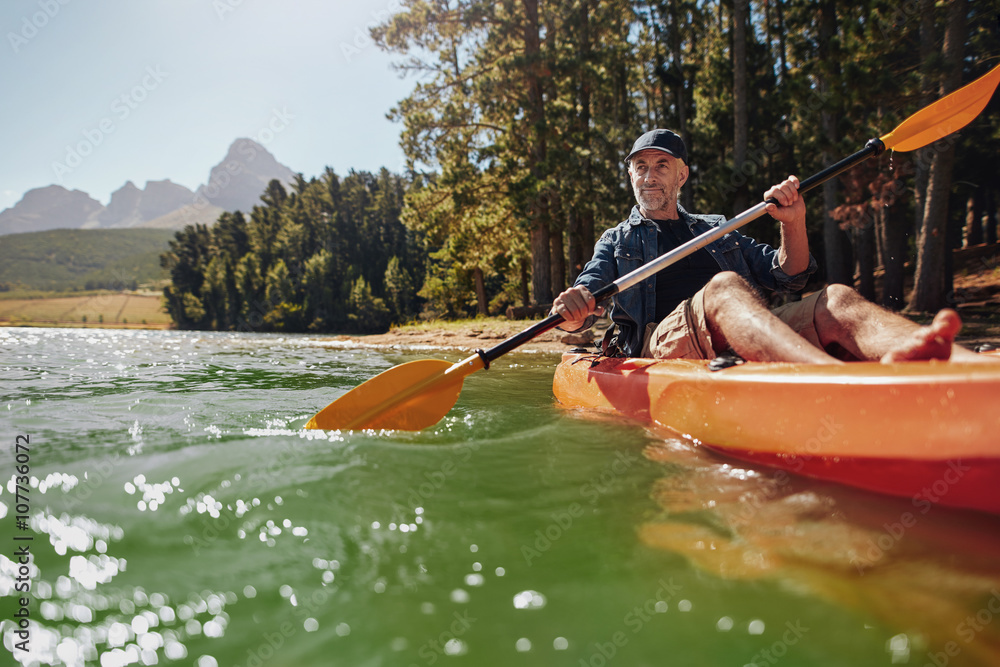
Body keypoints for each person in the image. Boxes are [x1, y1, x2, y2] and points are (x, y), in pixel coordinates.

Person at [553, 128, 987, 364]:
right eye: (640, 167)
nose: (648, 176)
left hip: (732, 336)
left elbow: (791, 273)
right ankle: (831, 383)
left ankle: (967, 366)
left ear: (681, 175)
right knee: (724, 288)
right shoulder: (616, 240)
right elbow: (581, 304)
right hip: (661, 343)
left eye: (661, 165)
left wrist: (794, 222)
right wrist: (572, 312)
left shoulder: (716, 230)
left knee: (835, 298)